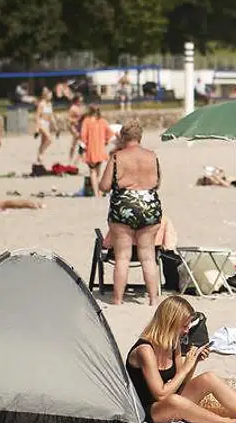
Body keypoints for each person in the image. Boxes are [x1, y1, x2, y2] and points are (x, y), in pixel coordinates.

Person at [127, 296, 236, 423]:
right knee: (174, 400)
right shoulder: (145, 350)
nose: (187, 330)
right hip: (148, 411)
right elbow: (161, 395)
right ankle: (229, 422)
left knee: (208, 378)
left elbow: (181, 384)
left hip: (172, 403)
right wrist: (185, 368)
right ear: (170, 323)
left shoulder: (174, 343)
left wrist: (194, 363)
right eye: (184, 326)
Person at [99, 122, 163, 306]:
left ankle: (118, 299)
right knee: (148, 256)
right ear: (140, 137)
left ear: (122, 137)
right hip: (149, 204)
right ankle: (153, 299)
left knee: (122, 257)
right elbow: (157, 182)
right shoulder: (152, 156)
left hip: (124, 206)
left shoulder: (117, 157)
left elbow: (103, 186)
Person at [80, 106, 113, 197]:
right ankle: (100, 191)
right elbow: (110, 134)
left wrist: (82, 150)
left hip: (91, 149)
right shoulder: (103, 121)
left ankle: (96, 193)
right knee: (98, 171)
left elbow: (83, 136)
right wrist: (105, 142)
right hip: (100, 149)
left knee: (92, 171)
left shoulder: (86, 121)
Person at [34, 87, 55, 166]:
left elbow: (51, 116)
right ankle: (41, 154)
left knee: (43, 142)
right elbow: (37, 116)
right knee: (49, 139)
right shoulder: (41, 104)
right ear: (46, 95)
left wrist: (55, 126)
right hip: (42, 123)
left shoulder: (49, 104)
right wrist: (37, 128)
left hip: (47, 123)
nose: (51, 97)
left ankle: (39, 157)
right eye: (50, 95)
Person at [66, 93, 86, 162]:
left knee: (82, 144)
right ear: (76, 100)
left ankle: (78, 159)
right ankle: (70, 159)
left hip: (81, 127)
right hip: (74, 127)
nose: (81, 102)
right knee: (74, 144)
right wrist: (77, 120)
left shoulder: (82, 107)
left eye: (81, 100)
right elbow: (69, 119)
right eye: (79, 100)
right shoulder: (73, 108)